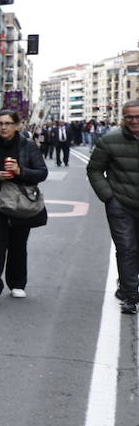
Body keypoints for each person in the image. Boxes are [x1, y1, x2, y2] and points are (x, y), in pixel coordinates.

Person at [0, 109, 48, 302]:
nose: (4, 127)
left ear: (17, 125)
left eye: (8, 123)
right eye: (0, 123)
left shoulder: (28, 145)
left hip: (20, 203)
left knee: (18, 244)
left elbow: (41, 172)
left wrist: (19, 171)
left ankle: (17, 284)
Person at [87, 99, 139, 315]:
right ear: (123, 118)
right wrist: (109, 197)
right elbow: (94, 170)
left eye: (137, 116)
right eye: (129, 117)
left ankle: (127, 285)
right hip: (121, 204)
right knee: (127, 249)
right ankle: (131, 296)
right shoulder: (109, 141)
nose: (134, 121)